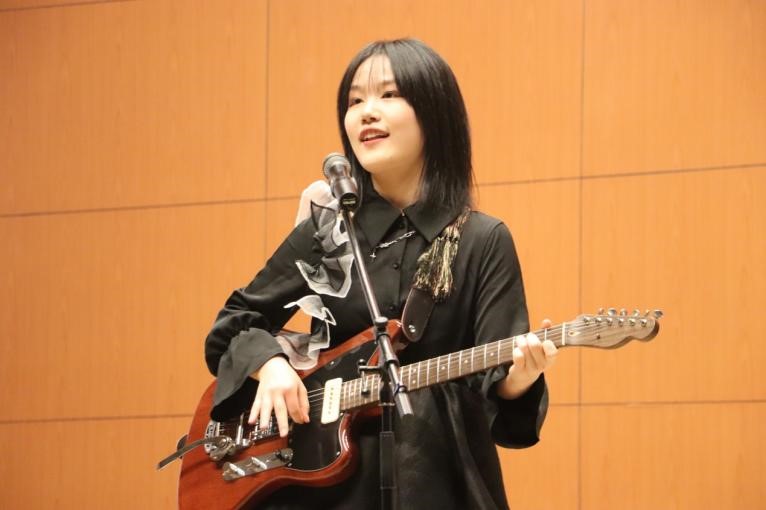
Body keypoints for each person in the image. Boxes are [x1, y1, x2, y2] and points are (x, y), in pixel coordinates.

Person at [204, 38, 557, 510]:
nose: (366, 112)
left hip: (437, 482)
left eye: (389, 95)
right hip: (321, 487)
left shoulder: (482, 239)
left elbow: (498, 398)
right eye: (354, 101)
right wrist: (270, 364)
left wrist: (520, 379)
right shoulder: (328, 231)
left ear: (434, 113)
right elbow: (232, 326)